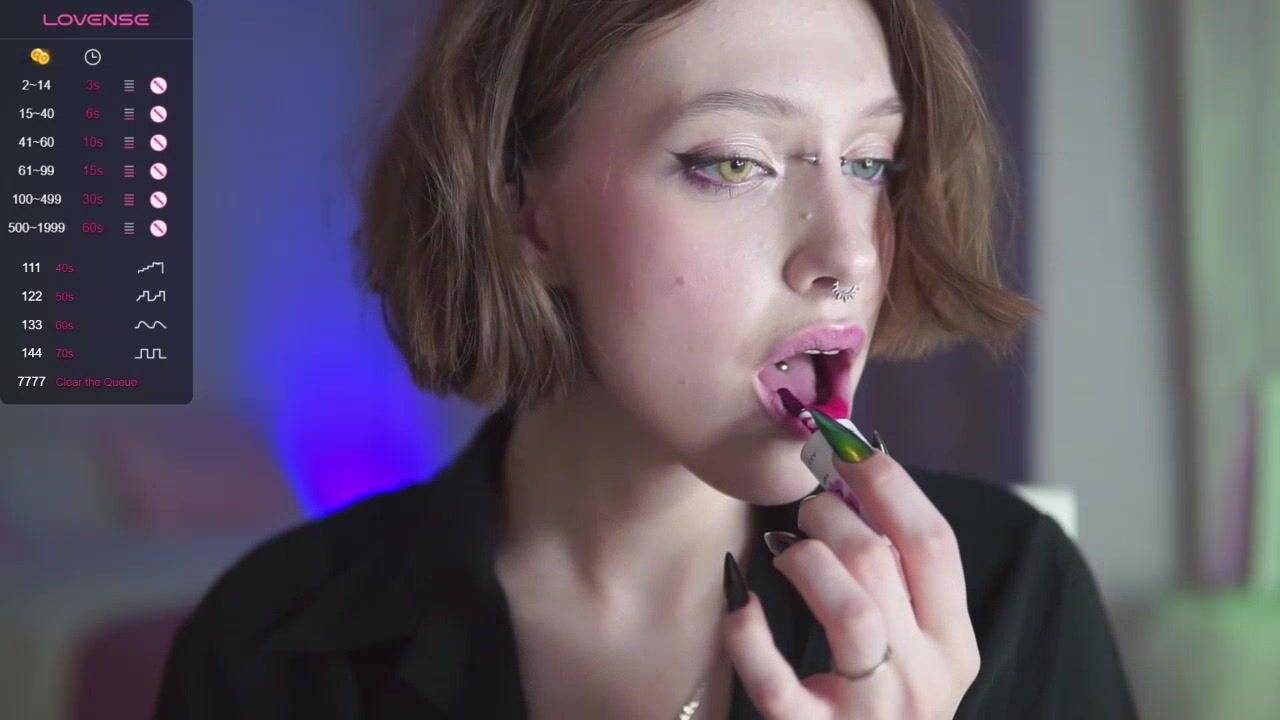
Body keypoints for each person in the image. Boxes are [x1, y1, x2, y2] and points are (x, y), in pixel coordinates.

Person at [154, 0, 1140, 717]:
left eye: (868, 162)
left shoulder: (1009, 595)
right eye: (733, 162)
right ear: (526, 211)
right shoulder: (270, 649)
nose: (846, 256)